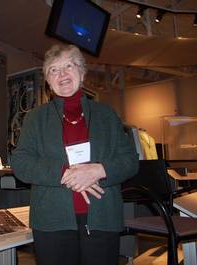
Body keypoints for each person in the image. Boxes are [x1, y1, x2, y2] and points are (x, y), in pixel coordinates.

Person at [11, 44, 139, 265]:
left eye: (69, 66)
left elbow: (130, 160)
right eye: (53, 70)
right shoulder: (35, 118)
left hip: (102, 218)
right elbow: (21, 163)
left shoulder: (106, 114)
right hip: (51, 220)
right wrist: (66, 174)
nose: (62, 74)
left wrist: (99, 170)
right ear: (48, 82)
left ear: (82, 72)